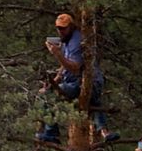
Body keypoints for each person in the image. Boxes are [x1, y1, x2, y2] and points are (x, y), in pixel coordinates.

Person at [40, 13, 118, 143]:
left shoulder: (76, 42)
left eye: (63, 28)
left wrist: (57, 55)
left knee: (48, 95)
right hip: (86, 83)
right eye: (58, 28)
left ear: (71, 26)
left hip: (82, 84)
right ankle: (105, 132)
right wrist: (55, 80)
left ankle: (51, 133)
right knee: (95, 102)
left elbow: (74, 67)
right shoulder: (66, 40)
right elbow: (64, 67)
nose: (60, 31)